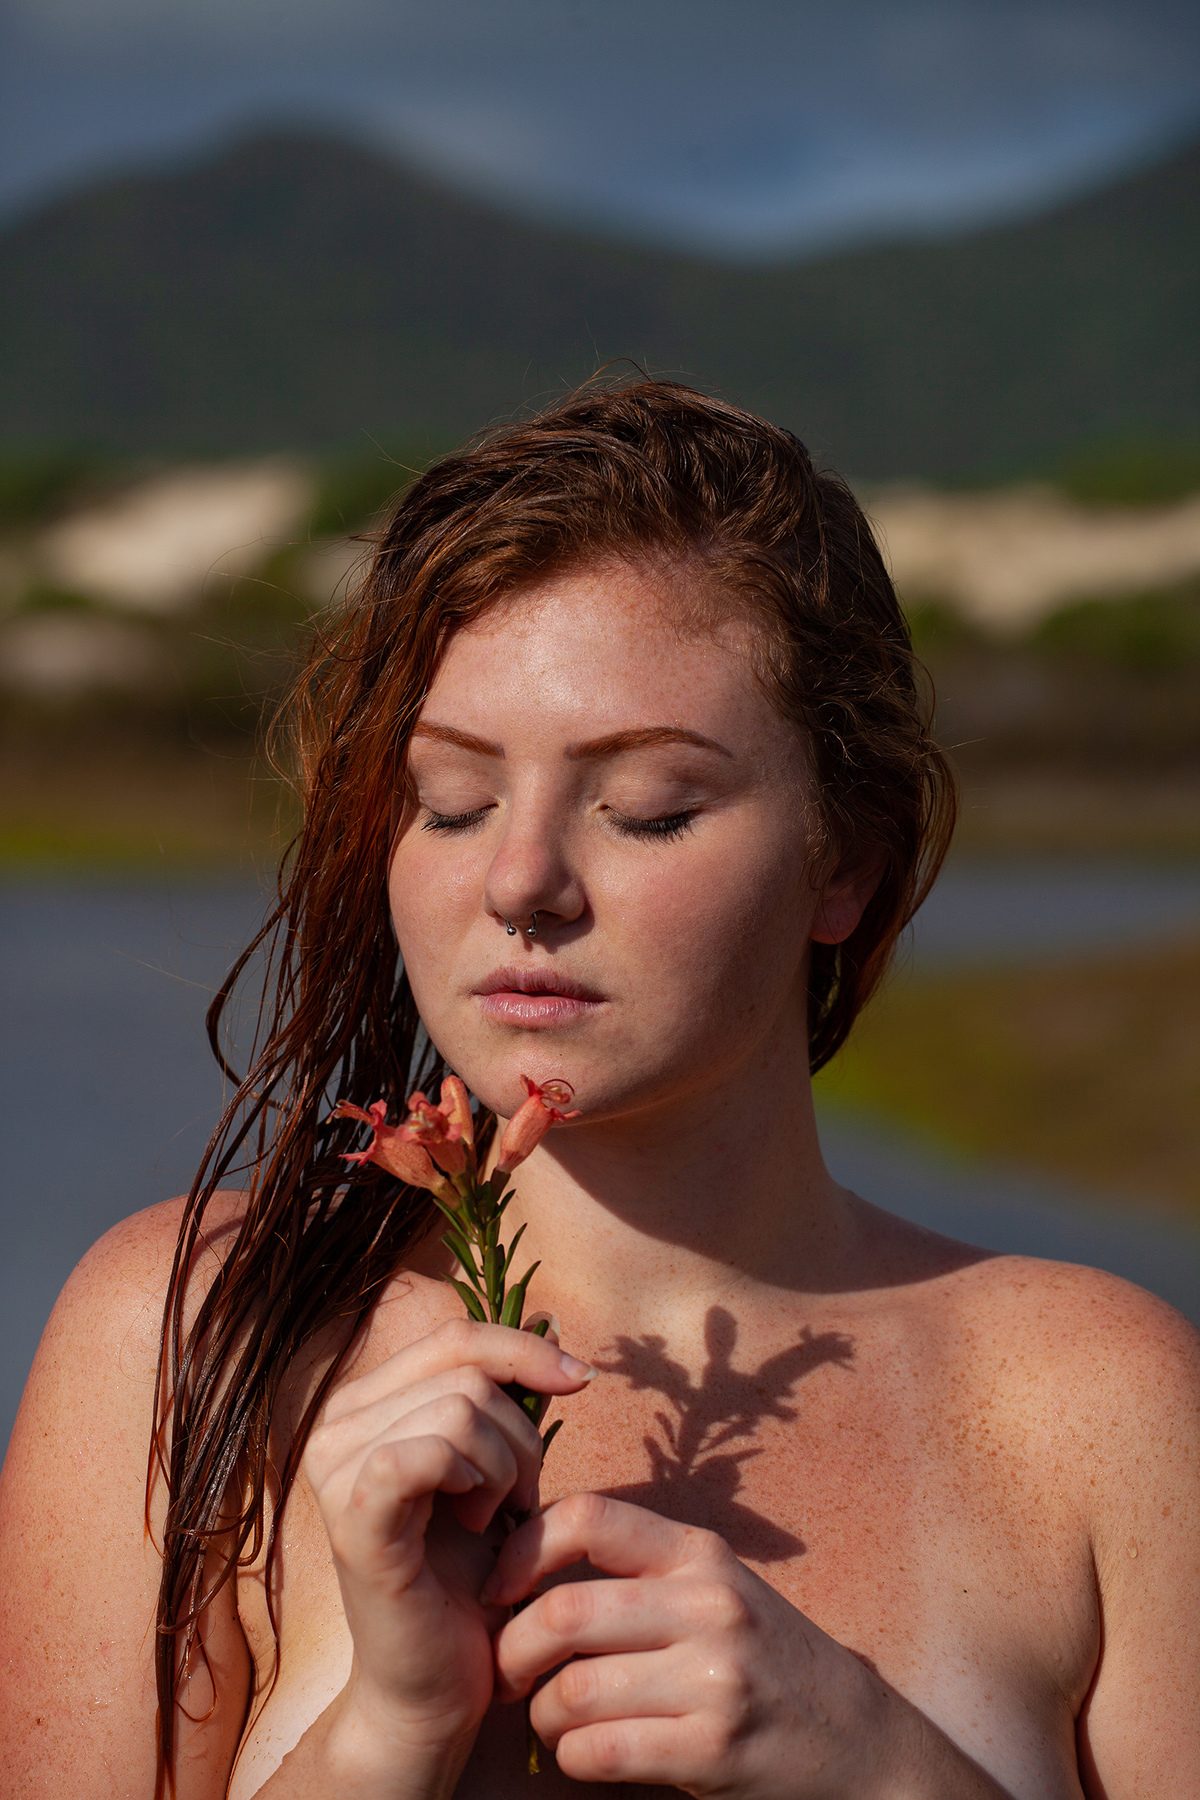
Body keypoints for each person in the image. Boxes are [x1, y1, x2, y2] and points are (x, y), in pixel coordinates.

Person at [1, 381, 1196, 1800]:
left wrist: (883, 1766)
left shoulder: (1092, 1400)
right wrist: (384, 1732)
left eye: (647, 811)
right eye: (451, 802)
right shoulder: (199, 1337)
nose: (521, 881)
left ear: (848, 861)